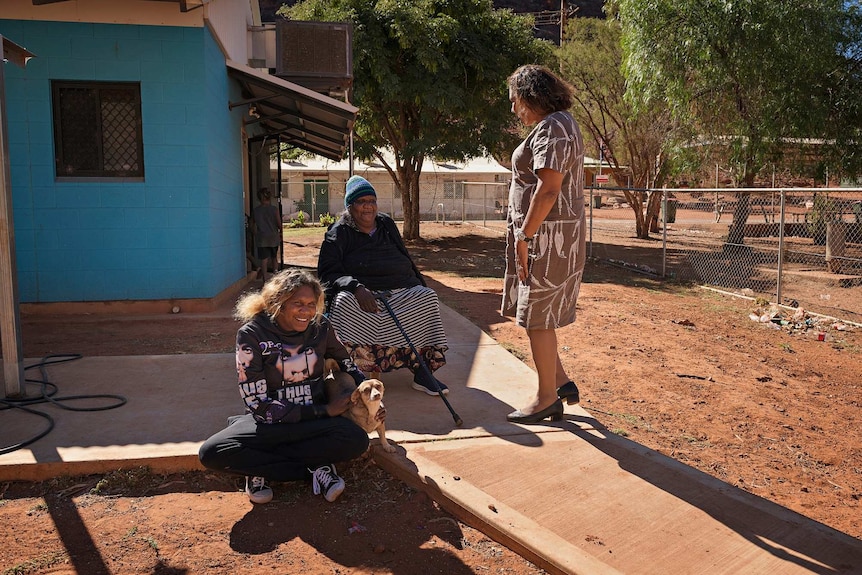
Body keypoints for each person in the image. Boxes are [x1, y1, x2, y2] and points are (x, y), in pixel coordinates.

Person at [198, 268, 376, 504]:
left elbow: (348, 365)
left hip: (314, 424)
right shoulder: (252, 334)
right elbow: (257, 403)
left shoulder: (321, 326)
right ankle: (314, 466)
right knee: (212, 452)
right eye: (298, 303)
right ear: (278, 303)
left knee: (356, 440)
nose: (307, 311)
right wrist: (324, 411)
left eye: (312, 304)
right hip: (271, 424)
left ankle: (265, 466)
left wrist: (371, 398)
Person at [502, 64, 586, 424]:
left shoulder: (552, 128)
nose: (513, 109)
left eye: (514, 100)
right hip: (554, 236)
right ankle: (561, 381)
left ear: (530, 95)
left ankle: (546, 398)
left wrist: (525, 236)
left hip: (545, 240)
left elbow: (549, 188)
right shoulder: (562, 124)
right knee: (543, 316)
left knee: (537, 318)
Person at [317, 175, 450, 396]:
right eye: (361, 202)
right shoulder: (338, 232)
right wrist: (355, 287)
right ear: (350, 207)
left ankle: (421, 370)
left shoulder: (386, 224)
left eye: (372, 201)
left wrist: (418, 283)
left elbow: (403, 256)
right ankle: (350, 372)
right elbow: (328, 273)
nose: (368, 206)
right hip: (362, 294)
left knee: (427, 297)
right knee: (342, 303)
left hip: (397, 289)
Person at [252, 187, 282, 282]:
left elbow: (251, 224)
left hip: (262, 237)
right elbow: (279, 223)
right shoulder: (274, 209)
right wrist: (281, 232)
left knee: (263, 260)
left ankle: (265, 279)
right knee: (274, 258)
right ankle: (276, 277)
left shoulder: (256, 211)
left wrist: (255, 233)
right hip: (273, 236)